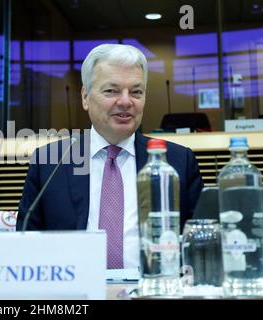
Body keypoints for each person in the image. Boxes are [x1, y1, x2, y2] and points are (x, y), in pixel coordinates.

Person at [16, 44, 204, 270]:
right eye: (111, 91)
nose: (125, 102)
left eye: (136, 92)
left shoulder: (177, 161)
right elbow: (27, 246)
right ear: (85, 97)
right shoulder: (50, 162)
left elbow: (199, 244)